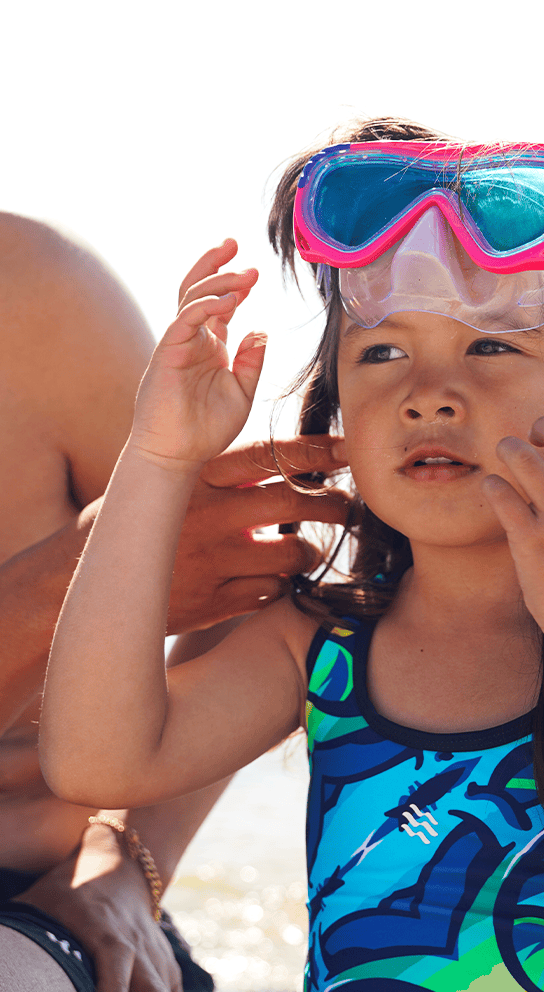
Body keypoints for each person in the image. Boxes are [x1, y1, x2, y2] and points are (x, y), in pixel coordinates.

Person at [39, 118, 544, 991]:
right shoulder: (326, 643)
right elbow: (93, 761)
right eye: (380, 352)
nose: (426, 395)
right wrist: (157, 462)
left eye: (491, 345)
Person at [0, 213, 347, 992]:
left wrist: (128, 866)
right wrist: (65, 579)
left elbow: (234, 574)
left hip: (64, 902)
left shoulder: (32, 291)